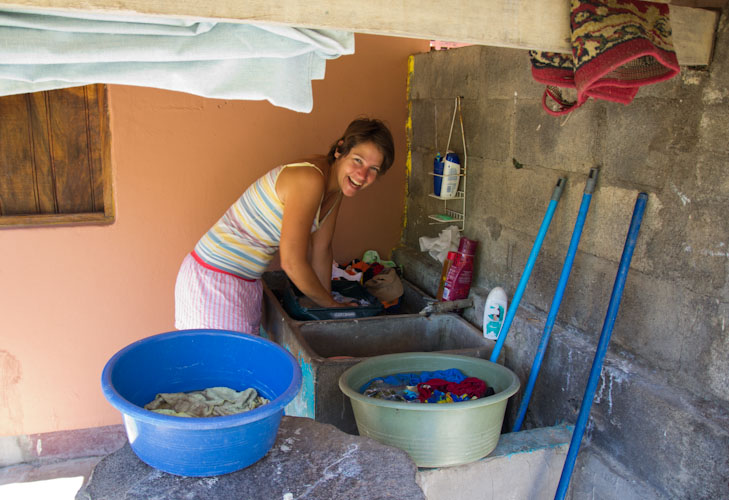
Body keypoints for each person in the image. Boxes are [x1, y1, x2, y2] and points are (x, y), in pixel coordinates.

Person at [174, 117, 395, 334]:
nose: (362, 174)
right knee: (224, 368)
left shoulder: (334, 190)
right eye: (358, 160)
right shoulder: (310, 179)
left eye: (373, 169)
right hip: (214, 281)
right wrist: (333, 305)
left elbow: (322, 250)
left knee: (243, 366)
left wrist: (328, 309)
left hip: (244, 281)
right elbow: (291, 262)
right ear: (340, 150)